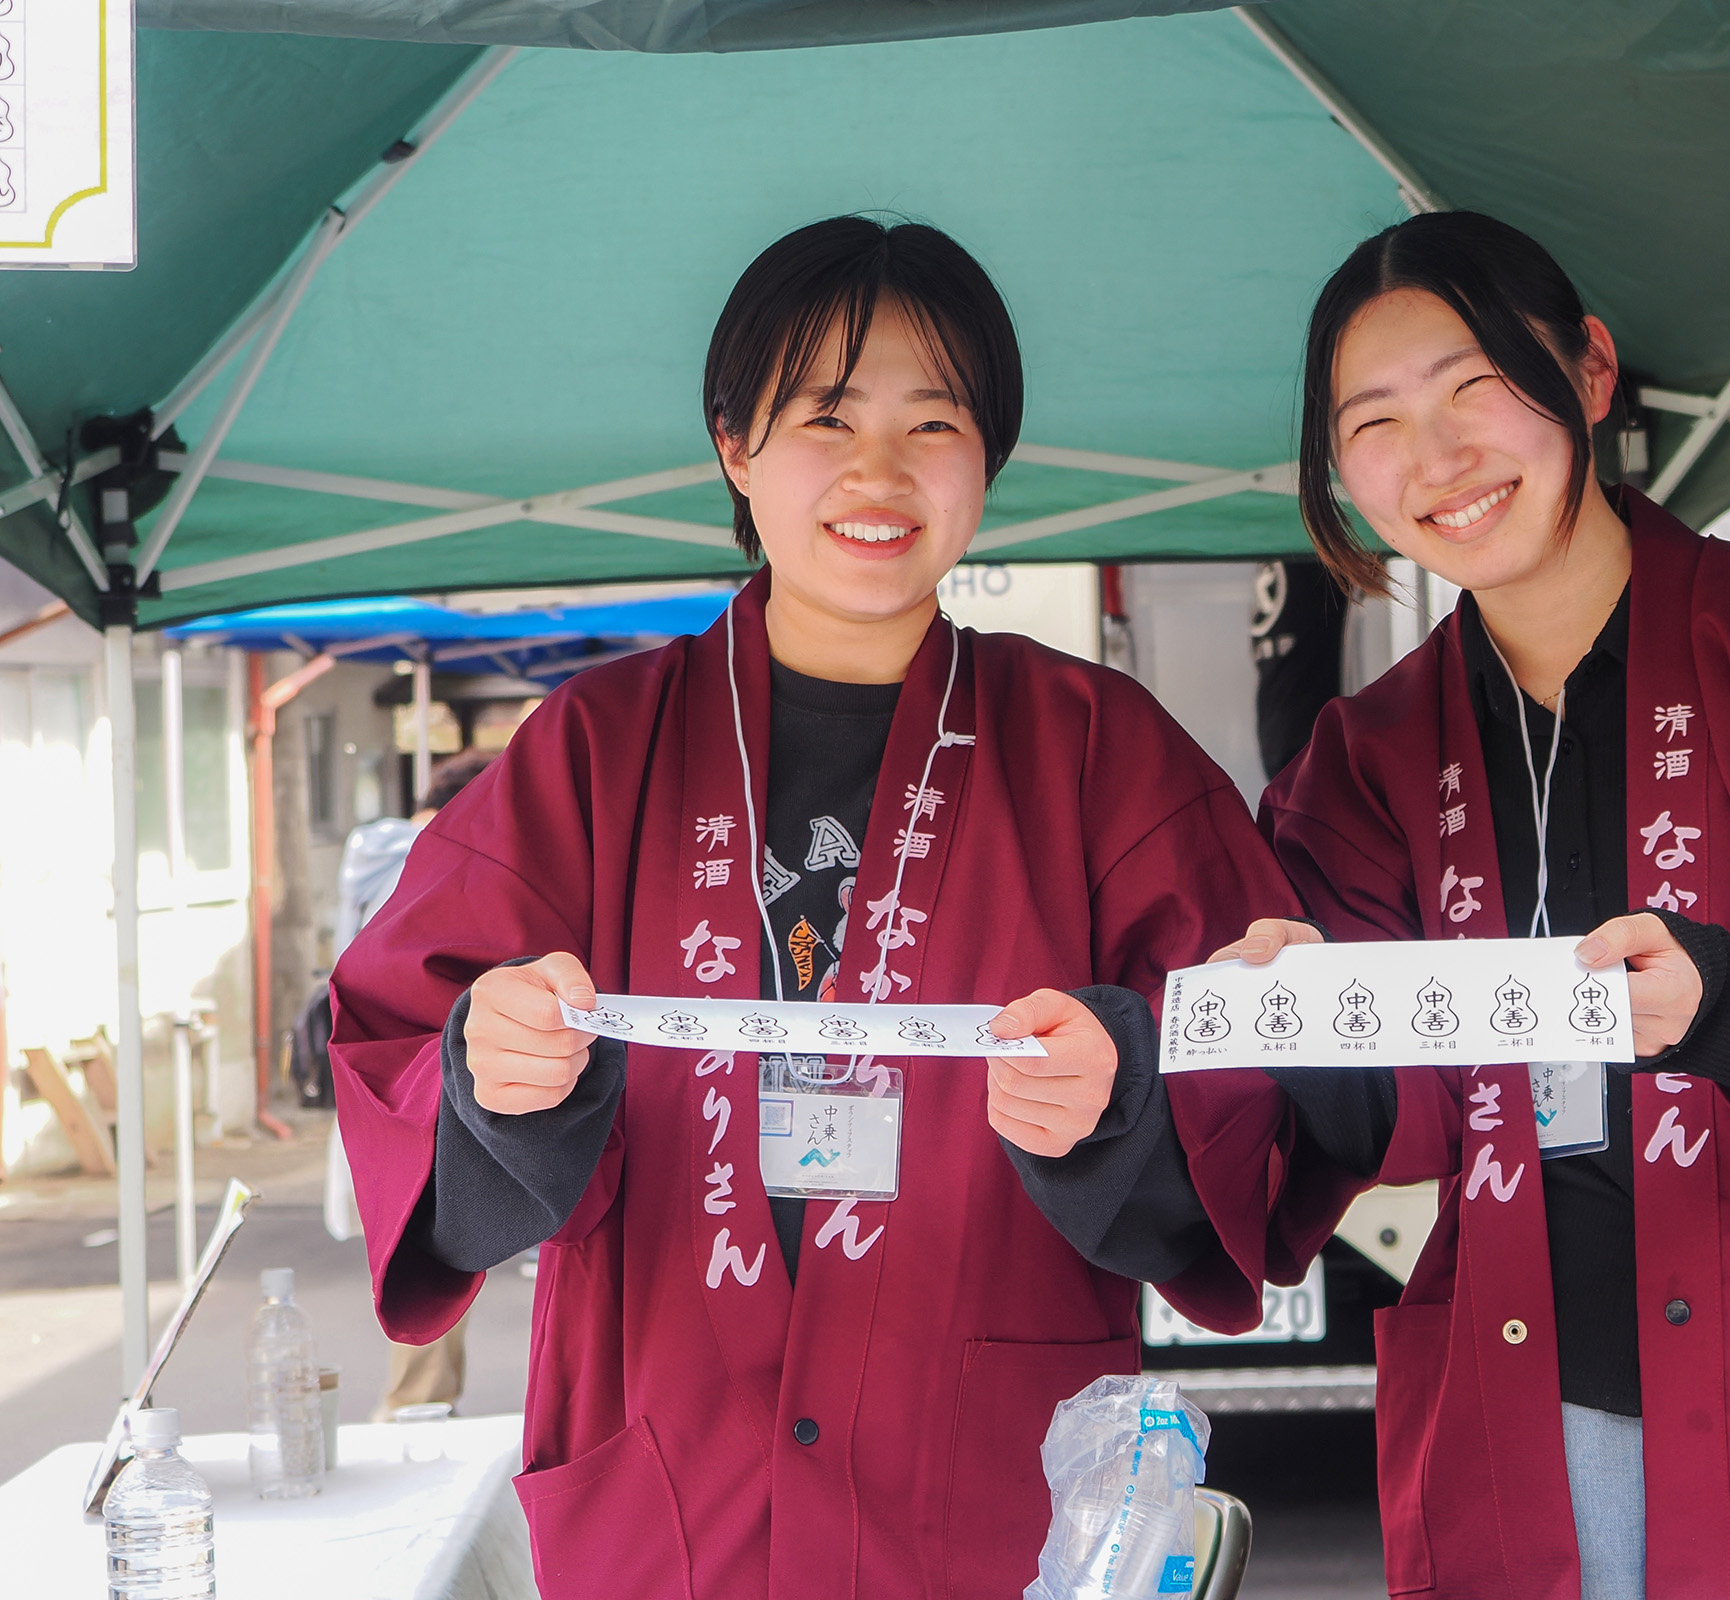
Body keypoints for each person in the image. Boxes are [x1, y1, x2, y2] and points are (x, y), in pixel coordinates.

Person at [329, 218, 1315, 1599]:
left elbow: (1262, 1070)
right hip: (673, 1480)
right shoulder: (597, 748)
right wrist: (489, 1076)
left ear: (990, 460)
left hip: (979, 1480)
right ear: (734, 446)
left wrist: (1129, 1087)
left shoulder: (1101, 747)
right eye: (824, 419)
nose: (879, 473)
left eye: (935, 424)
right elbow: (392, 1030)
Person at [1174, 212, 1730, 1597]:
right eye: (1377, 424)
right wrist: (1291, 1004)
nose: (1440, 458)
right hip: (1535, 1408)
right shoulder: (1367, 758)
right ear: (1342, 476)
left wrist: (1725, 1004)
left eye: (1477, 387)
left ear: (1588, 371)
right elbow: (1364, 1113)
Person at [315, 747, 499, 1420]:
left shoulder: (370, 855)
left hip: (374, 1072)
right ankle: (417, 1405)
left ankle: (421, 1401)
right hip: (437, 1071)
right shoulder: (454, 857)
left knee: (419, 1234)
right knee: (434, 1240)